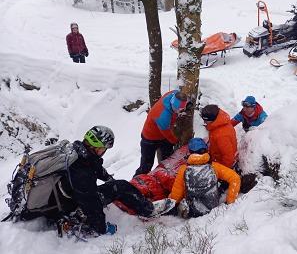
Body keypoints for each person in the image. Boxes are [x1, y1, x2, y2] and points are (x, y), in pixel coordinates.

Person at [25, 125, 175, 235]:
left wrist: (108, 179)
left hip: (59, 199)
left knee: (115, 185)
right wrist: (102, 229)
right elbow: (91, 205)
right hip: (64, 207)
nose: (104, 152)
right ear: (96, 147)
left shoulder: (77, 152)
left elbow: (94, 166)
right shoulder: (82, 174)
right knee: (120, 187)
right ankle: (148, 211)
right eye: (104, 148)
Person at [168, 138, 241, 218]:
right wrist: (229, 201)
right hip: (212, 207)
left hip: (193, 211)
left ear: (190, 152)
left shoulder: (183, 170)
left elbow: (176, 196)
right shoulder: (214, 167)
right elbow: (235, 178)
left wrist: (170, 202)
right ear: (206, 150)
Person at [134, 90, 190, 176]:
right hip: (150, 138)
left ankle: (165, 178)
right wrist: (175, 141)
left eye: (182, 109)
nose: (180, 111)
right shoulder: (162, 116)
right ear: (172, 104)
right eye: (178, 109)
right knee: (146, 166)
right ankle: (136, 182)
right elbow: (167, 133)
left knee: (168, 160)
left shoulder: (174, 94)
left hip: (163, 136)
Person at [200, 104, 238, 169]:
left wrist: (223, 171)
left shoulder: (221, 135)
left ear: (212, 119)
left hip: (220, 162)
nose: (204, 122)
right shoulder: (220, 124)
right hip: (215, 154)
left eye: (206, 120)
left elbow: (228, 156)